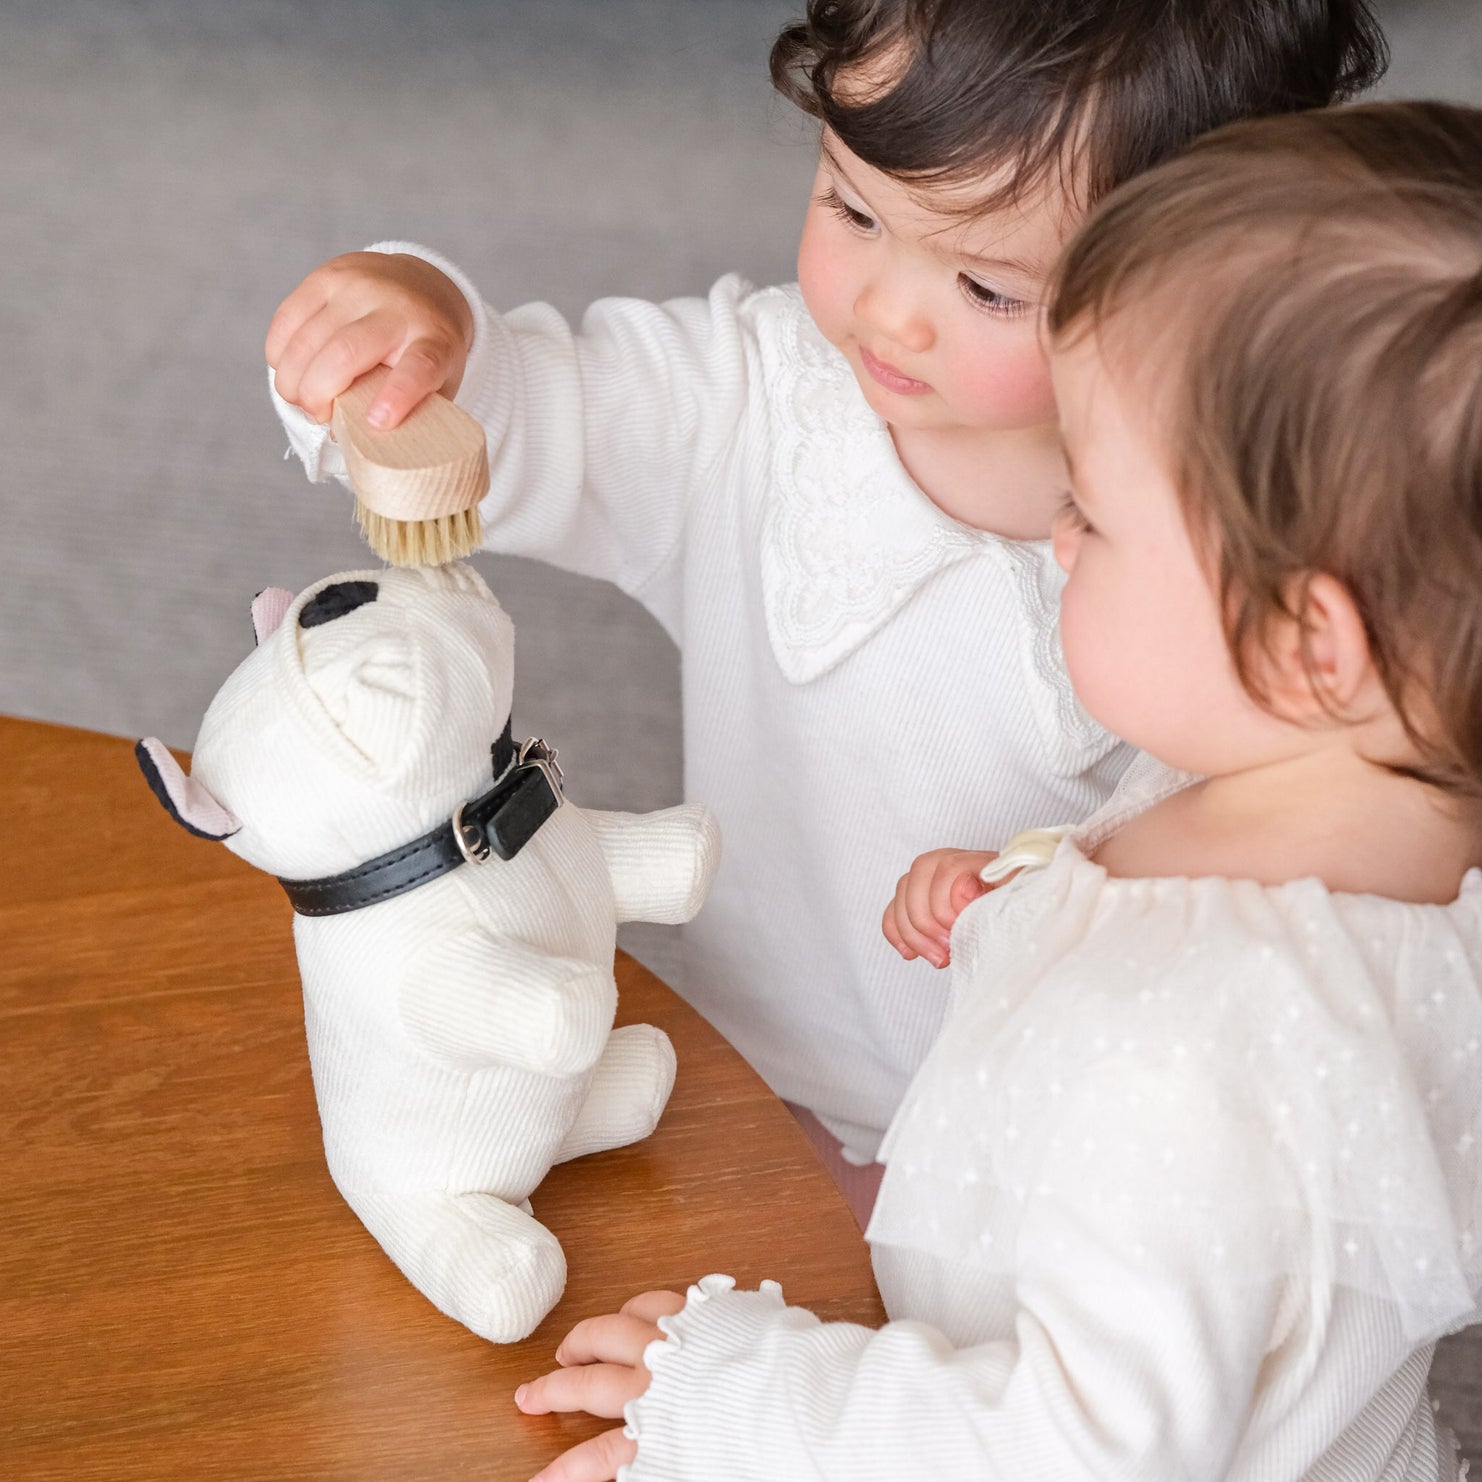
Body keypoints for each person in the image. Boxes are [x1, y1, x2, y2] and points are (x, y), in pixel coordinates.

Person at [264, 0, 1387, 1219]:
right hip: (754, 1082)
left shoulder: (1237, 519)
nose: (886, 311)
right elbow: (536, 418)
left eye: (988, 288)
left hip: (1065, 1153)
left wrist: (1071, 880)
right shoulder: (757, 399)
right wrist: (416, 325)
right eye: (854, 210)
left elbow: (1298, 821)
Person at [511, 101, 1482, 1482]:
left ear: (1305, 645)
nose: (1057, 536)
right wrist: (1034, 890)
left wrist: (729, 1395)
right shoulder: (1363, 838)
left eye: (1097, 513)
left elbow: (1073, 1447)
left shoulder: (1185, 1050)